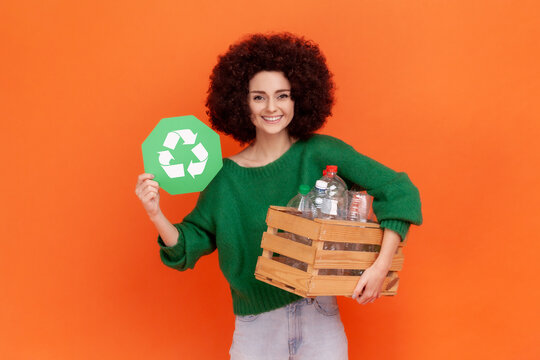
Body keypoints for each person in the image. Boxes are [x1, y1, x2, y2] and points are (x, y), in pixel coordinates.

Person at [135, 32, 422, 360]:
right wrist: (155, 212)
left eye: (282, 95)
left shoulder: (319, 152)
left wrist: (381, 267)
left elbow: (399, 191)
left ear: (298, 98)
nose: (272, 107)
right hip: (256, 328)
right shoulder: (223, 177)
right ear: (242, 103)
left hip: (319, 316)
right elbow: (189, 244)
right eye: (259, 97)